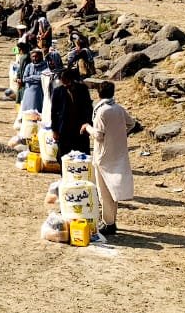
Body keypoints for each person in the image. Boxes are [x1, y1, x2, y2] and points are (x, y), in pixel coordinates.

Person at [80, 80, 135, 236]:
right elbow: (131, 124)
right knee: (113, 190)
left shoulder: (102, 111)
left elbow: (98, 135)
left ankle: (108, 223)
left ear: (99, 93)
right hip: (118, 152)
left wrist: (87, 127)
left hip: (103, 156)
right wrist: (119, 135)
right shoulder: (119, 109)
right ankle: (111, 220)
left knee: (104, 192)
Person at [50, 68, 93, 156]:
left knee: (82, 153)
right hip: (64, 128)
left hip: (80, 127)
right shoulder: (58, 91)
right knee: (65, 155)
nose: (63, 82)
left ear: (71, 79)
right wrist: (54, 130)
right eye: (62, 80)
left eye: (65, 80)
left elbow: (88, 107)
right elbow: (54, 112)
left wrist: (88, 124)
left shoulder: (82, 89)